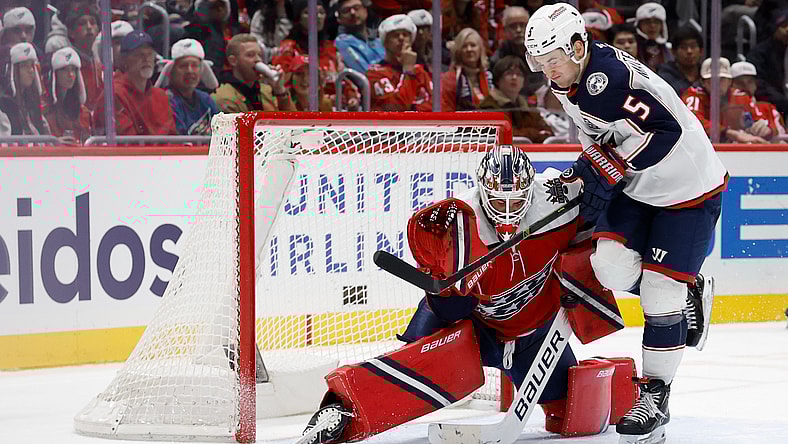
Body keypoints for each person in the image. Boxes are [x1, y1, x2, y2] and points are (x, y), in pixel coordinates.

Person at [300, 145, 635, 444]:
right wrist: (443, 287)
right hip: (476, 332)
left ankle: (633, 390)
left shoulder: (558, 202)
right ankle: (339, 413)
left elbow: (608, 217)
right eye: (498, 200)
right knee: (415, 370)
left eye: (516, 200)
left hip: (536, 334)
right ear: (481, 191)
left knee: (577, 417)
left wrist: (609, 181)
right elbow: (446, 307)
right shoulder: (461, 228)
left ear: (530, 192)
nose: (507, 210)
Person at [525, 4, 722, 443]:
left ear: (578, 46)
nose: (545, 70)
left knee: (658, 292)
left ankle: (655, 394)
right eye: (537, 62)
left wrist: (607, 164)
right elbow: (600, 132)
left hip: (687, 191)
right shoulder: (571, 76)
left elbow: (666, 132)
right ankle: (686, 290)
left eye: (550, 60)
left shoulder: (607, 79)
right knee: (610, 266)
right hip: (638, 186)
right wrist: (586, 169)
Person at [93, 30, 177, 136]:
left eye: (150, 54)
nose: (146, 59)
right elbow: (127, 144)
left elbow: (172, 137)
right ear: (123, 60)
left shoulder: (161, 96)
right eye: (139, 55)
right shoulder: (114, 95)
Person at [681, 57, 769, 143]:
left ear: (730, 81)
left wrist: (764, 128)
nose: (716, 84)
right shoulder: (693, 95)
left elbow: (760, 119)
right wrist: (729, 133)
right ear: (702, 82)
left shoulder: (741, 96)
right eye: (711, 80)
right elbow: (693, 121)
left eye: (722, 80)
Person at [212, 34, 296, 112]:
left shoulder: (267, 91)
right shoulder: (223, 97)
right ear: (233, 61)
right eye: (250, 55)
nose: (258, 59)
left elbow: (293, 122)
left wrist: (280, 90)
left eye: (259, 55)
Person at [367, 14, 432, 112]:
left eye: (405, 35)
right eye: (395, 35)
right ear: (385, 42)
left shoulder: (420, 71)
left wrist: (414, 110)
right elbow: (394, 109)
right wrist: (408, 71)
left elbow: (437, 104)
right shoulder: (374, 73)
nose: (401, 38)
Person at [480, 56, 553, 143]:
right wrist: (533, 134)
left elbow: (547, 131)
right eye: (509, 73)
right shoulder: (488, 106)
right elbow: (501, 135)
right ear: (498, 79)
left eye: (519, 74)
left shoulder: (527, 106)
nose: (514, 77)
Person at [155, 39, 220, 136]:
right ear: (171, 71)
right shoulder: (165, 101)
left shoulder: (206, 99)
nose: (190, 71)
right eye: (183, 66)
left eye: (194, 65)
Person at [0, 42, 50, 136]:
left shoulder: (31, 103)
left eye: (32, 65)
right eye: (24, 66)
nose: (31, 70)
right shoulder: (4, 105)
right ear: (12, 70)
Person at [44, 46, 91, 144]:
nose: (70, 75)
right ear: (54, 74)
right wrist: (53, 144)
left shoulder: (83, 113)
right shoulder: (45, 110)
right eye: (64, 69)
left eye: (73, 69)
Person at [746, 9, 788, 116]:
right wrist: (783, 102)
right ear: (775, 29)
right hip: (772, 109)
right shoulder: (759, 53)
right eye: (784, 26)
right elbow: (758, 84)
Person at [440, 27, 493, 112]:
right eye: (464, 46)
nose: (469, 49)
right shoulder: (450, 79)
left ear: (480, 49)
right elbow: (446, 110)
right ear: (458, 51)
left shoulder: (489, 76)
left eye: (473, 45)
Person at [731, 61, 785, 137]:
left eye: (750, 82)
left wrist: (771, 130)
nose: (745, 86)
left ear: (755, 84)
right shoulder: (725, 110)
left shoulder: (769, 108)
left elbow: (783, 137)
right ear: (730, 85)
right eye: (739, 82)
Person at [334, 0, 385, 74]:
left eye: (357, 8)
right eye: (346, 10)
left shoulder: (380, 37)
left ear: (365, 10)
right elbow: (365, 73)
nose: (352, 12)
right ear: (339, 18)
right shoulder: (341, 42)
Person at [657, 26, 703, 97]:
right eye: (683, 47)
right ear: (673, 52)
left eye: (693, 46)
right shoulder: (664, 79)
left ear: (701, 51)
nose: (689, 51)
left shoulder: (706, 76)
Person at [633, 2, 673, 72]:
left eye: (656, 22)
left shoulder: (670, 50)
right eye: (647, 22)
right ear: (639, 25)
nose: (652, 26)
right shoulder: (632, 47)